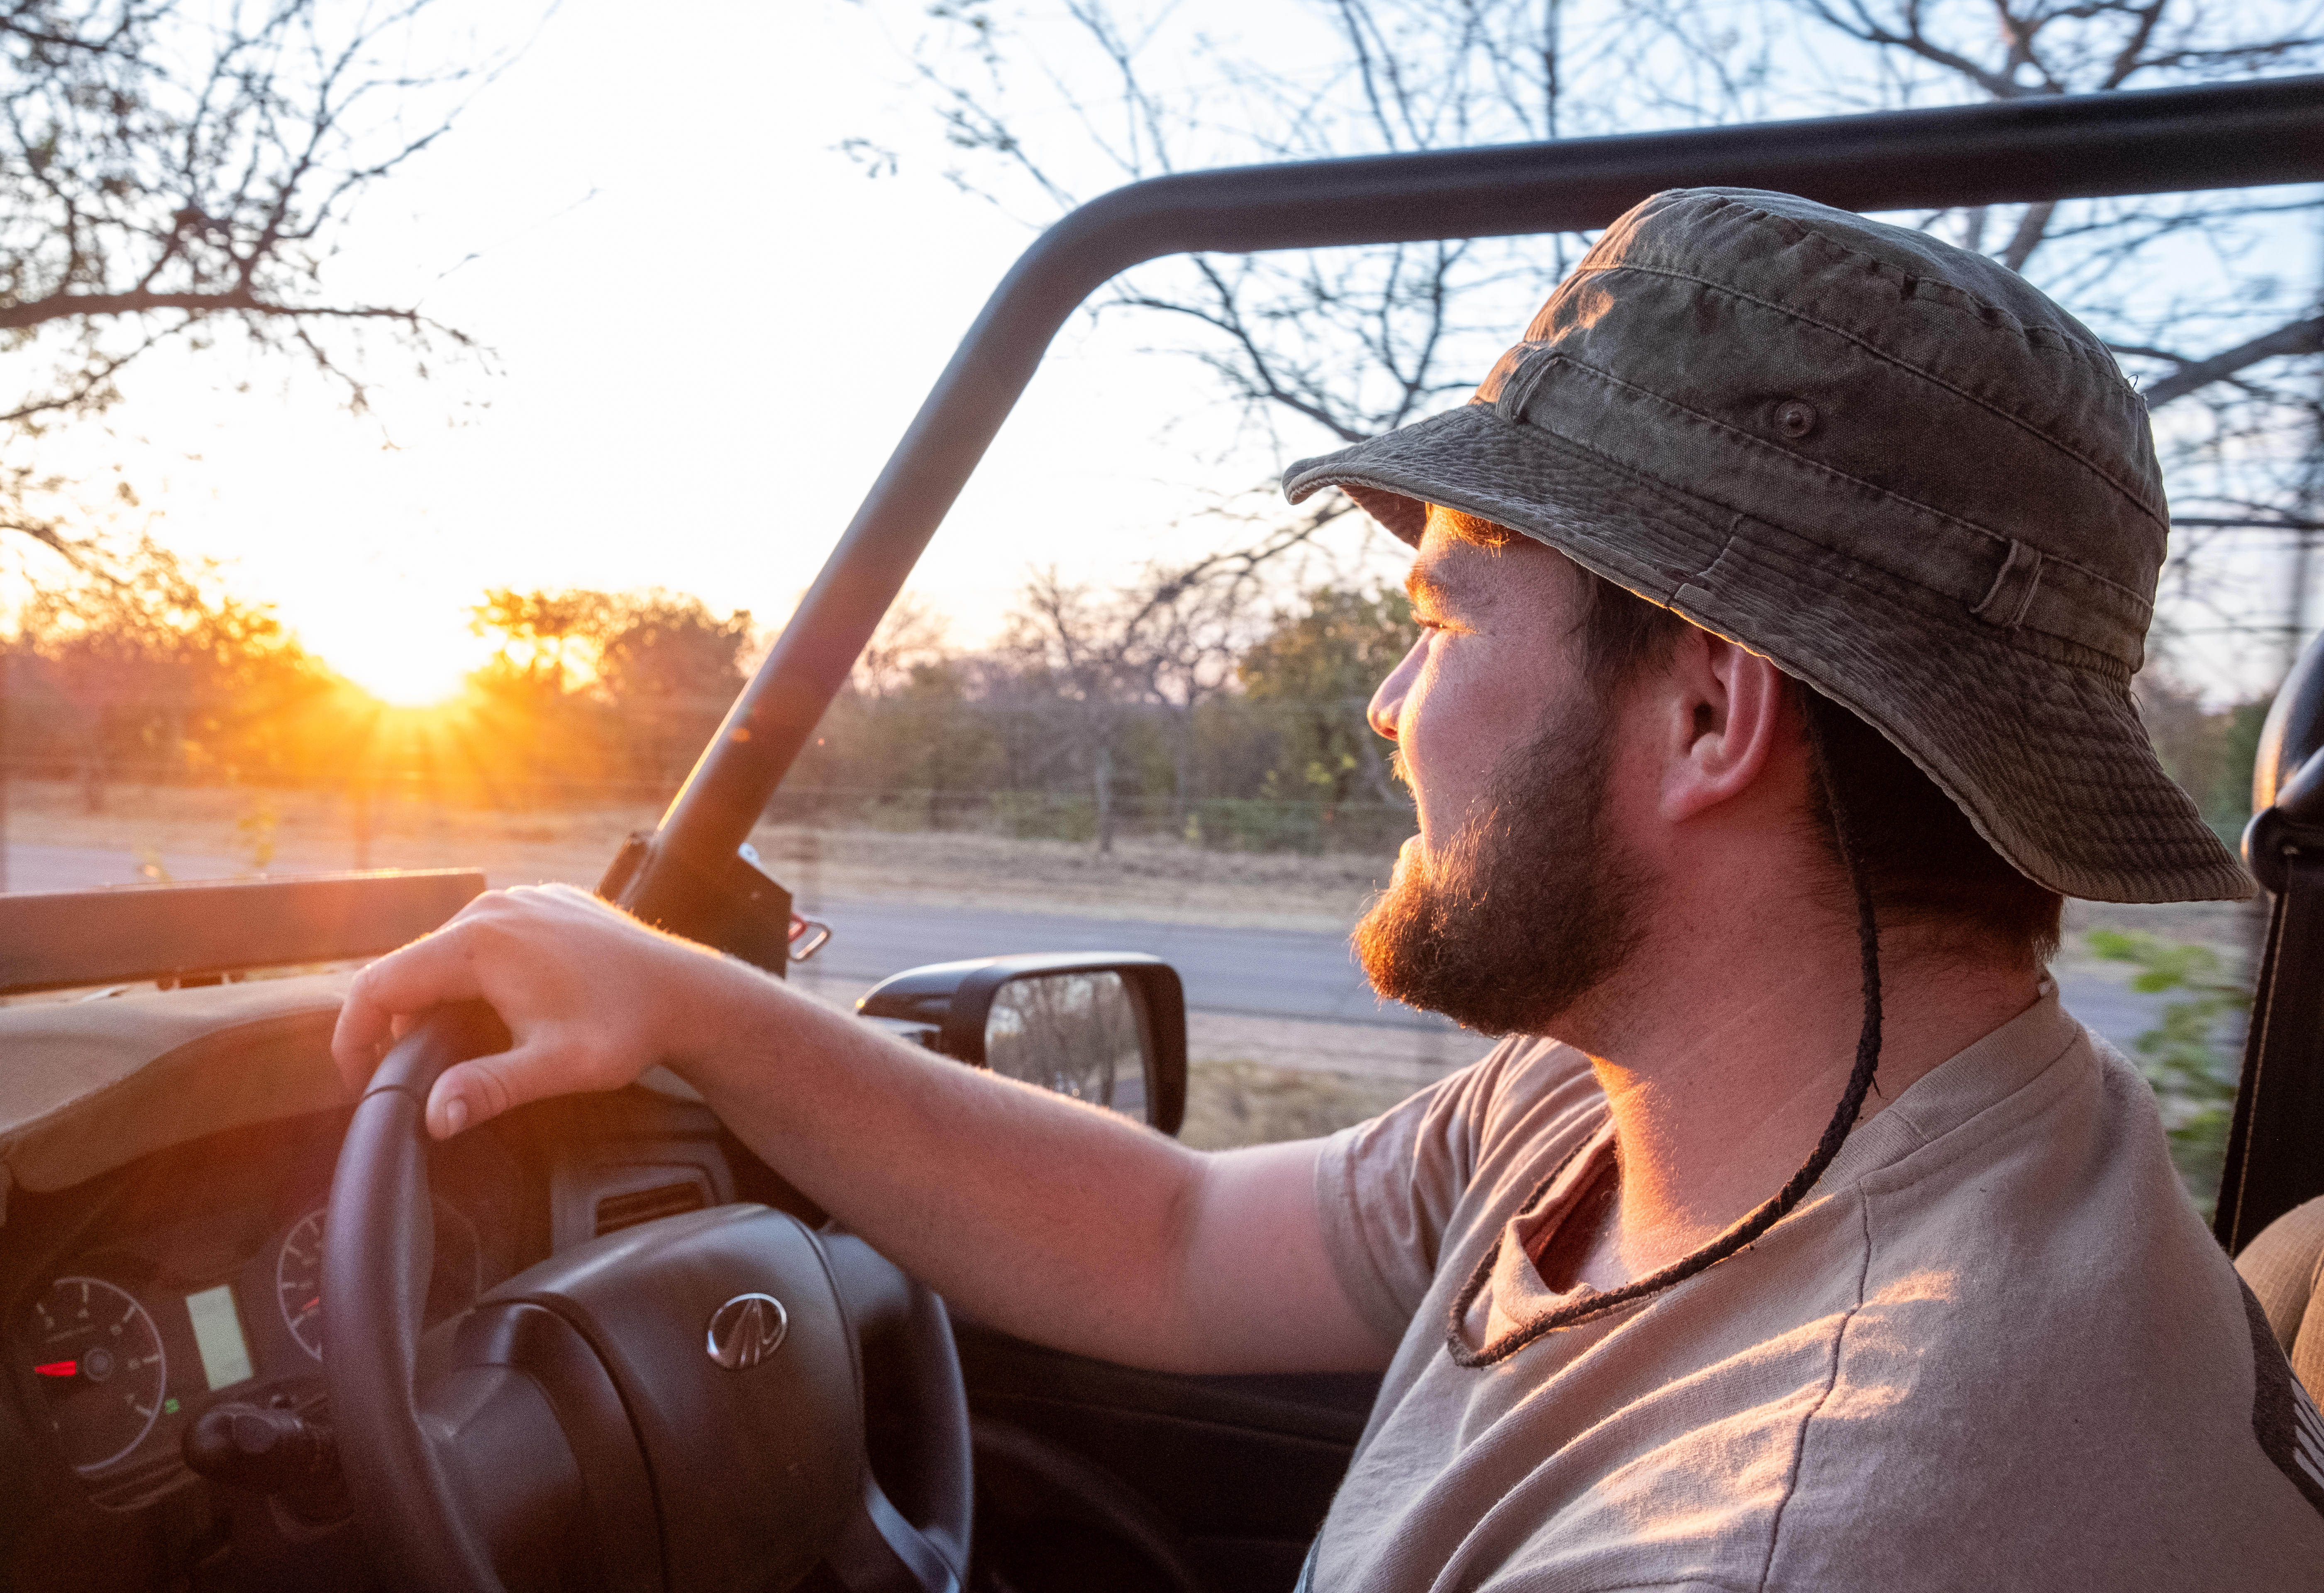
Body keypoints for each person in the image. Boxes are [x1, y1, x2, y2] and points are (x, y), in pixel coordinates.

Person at [333, 189, 2324, 1587]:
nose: (1386, 708)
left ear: (1712, 712)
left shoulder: (1814, 1525)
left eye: (1447, 616)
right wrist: (680, 998)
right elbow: (1182, 1240)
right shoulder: (1680, 1100)